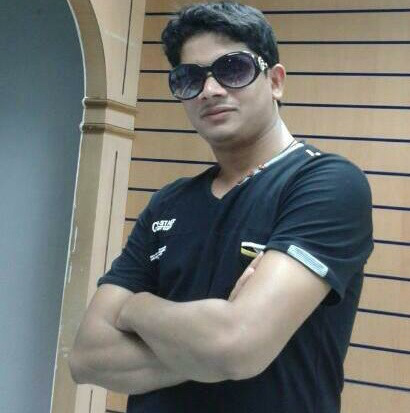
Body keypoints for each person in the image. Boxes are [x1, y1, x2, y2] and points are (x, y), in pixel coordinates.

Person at [69, 2, 374, 412]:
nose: (210, 90)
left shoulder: (326, 184)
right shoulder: (168, 203)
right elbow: (87, 356)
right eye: (189, 78)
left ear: (275, 81)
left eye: (233, 69)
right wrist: (212, 346)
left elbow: (236, 346)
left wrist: (136, 308)